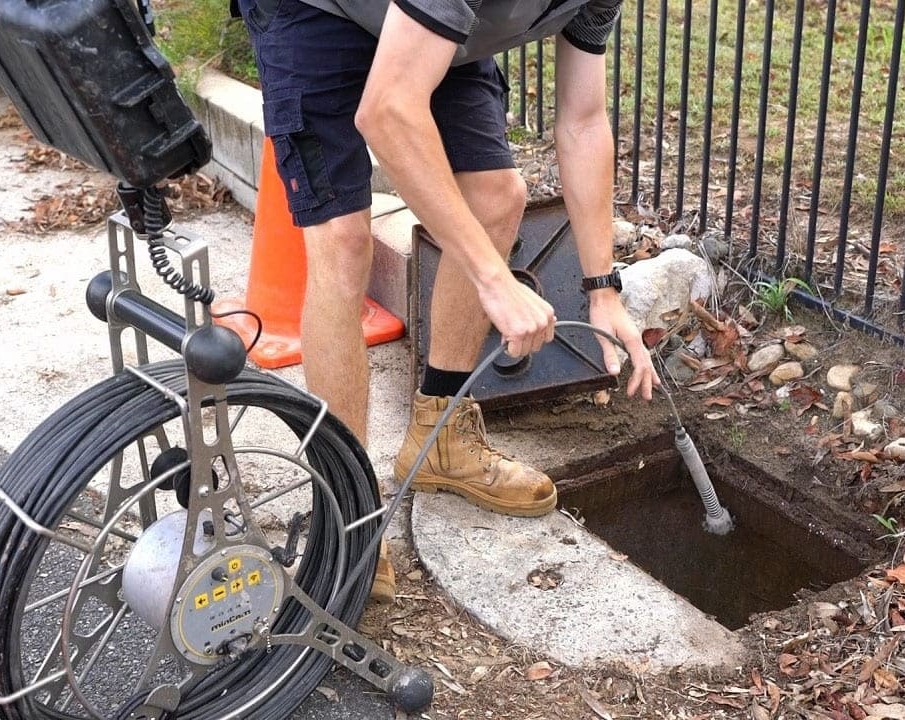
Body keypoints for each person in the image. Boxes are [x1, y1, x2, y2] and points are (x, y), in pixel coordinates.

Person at [235, 0, 660, 603]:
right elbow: (387, 110)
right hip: (317, 12)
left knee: (496, 197)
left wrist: (602, 289)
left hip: (430, 28)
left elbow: (585, 120)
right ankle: (347, 505)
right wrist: (494, 281)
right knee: (343, 241)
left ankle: (441, 440)